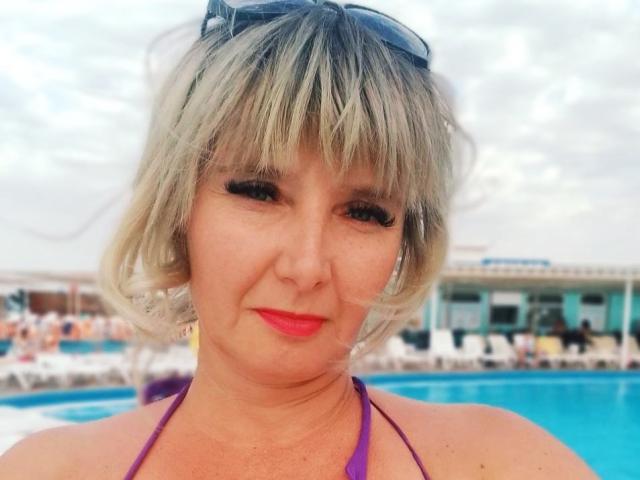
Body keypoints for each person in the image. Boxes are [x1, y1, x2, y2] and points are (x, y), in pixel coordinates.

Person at [0, 1, 596, 478]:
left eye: (364, 212)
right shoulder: (45, 470)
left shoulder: (505, 462)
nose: (307, 266)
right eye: (258, 191)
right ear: (179, 206)